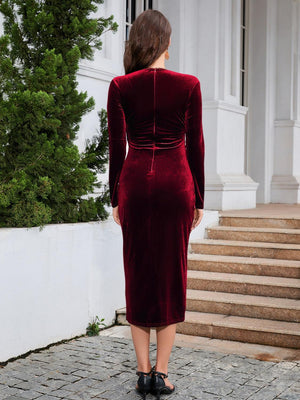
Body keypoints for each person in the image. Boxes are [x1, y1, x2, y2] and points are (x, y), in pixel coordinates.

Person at [107, 9, 204, 400]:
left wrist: (115, 195)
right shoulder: (189, 85)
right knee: (170, 275)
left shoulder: (119, 85)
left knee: (138, 273)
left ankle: (142, 372)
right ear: (165, 43)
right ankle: (162, 374)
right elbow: (195, 145)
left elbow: (117, 146)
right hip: (176, 184)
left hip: (135, 184)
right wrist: (199, 198)